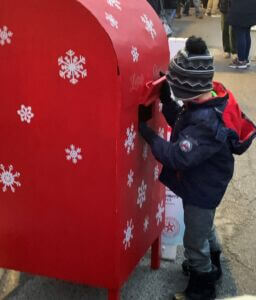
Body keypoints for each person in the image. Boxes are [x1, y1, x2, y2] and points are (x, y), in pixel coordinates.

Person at [139, 36, 256, 300]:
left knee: (194, 238)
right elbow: (182, 122)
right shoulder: (206, 100)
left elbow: (178, 156)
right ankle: (212, 261)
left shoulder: (206, 123)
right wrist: (168, 101)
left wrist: (147, 134)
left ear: (188, 89)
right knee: (205, 226)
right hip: (207, 186)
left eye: (175, 86)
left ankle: (202, 283)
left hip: (203, 189)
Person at [228, 0, 256, 69]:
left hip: (239, 9)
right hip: (251, 8)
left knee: (240, 33)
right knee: (246, 33)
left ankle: (241, 61)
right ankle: (245, 59)